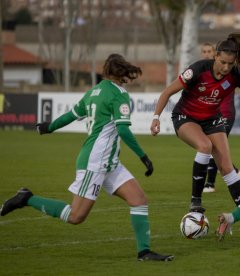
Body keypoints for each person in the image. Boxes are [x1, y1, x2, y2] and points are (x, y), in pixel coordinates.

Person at [0, 54, 174, 262]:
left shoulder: (93, 92)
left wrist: (48, 127)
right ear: (121, 73)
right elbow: (123, 131)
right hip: (95, 162)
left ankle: (144, 252)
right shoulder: (119, 94)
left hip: (109, 162)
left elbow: (71, 115)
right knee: (76, 217)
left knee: (139, 200)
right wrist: (143, 157)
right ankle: (27, 198)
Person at [150, 32, 240, 238]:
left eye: (230, 63)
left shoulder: (236, 74)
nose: (226, 67)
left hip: (212, 119)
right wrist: (156, 117)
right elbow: (167, 92)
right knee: (204, 146)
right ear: (216, 56)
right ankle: (196, 200)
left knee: (228, 168)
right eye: (223, 62)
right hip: (185, 117)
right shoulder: (198, 69)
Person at [199, 42, 240, 193]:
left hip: (226, 113)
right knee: (215, 148)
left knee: (213, 146)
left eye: (209, 51)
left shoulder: (229, 71)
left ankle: (210, 184)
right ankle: (235, 171)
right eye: (204, 51)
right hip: (210, 115)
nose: (206, 54)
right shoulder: (203, 71)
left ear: (215, 54)